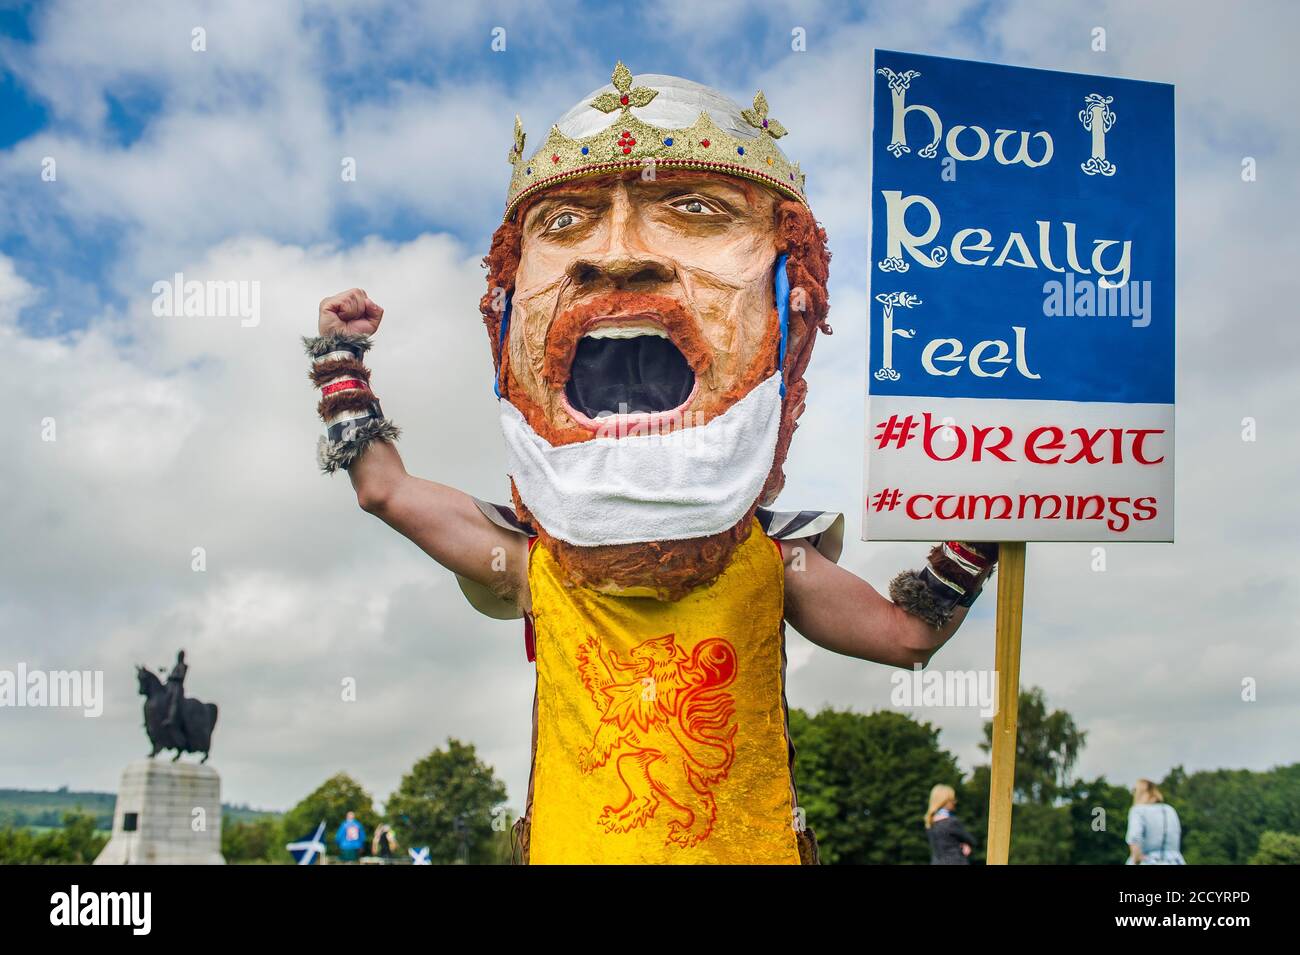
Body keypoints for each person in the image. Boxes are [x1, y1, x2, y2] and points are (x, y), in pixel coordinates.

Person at [304, 62, 1000, 864]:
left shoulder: (770, 559)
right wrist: (341, 360)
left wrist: (989, 517)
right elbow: (383, 489)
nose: (619, 257)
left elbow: (906, 633)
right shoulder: (534, 563)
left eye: (694, 211)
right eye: (567, 221)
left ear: (792, 313)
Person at [1125, 778, 1185, 864]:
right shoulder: (1170, 809)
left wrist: (1136, 859)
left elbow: (1134, 838)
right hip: (1175, 861)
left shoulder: (1138, 810)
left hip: (1149, 860)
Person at [925, 784, 975, 865]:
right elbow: (971, 840)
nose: (955, 802)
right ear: (945, 801)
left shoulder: (929, 822)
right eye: (952, 799)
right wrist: (964, 844)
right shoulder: (951, 822)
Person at [160, 650, 187, 727]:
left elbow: (181, 676)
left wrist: (171, 677)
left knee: (174, 701)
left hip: (177, 687)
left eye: (180, 656)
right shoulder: (176, 666)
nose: (178, 657)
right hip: (171, 685)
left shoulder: (182, 666)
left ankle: (171, 718)